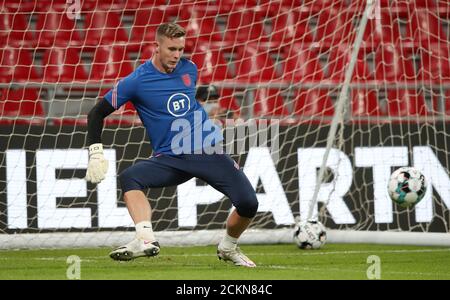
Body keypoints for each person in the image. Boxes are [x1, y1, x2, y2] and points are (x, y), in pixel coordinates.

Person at [84, 23, 258, 267]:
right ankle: (145, 239)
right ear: (156, 47)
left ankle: (228, 247)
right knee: (130, 178)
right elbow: (96, 114)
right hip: (169, 157)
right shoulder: (135, 82)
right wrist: (95, 152)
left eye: (181, 49)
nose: (177, 55)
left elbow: (186, 100)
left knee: (249, 203)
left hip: (205, 150)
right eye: (172, 49)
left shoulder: (190, 68)